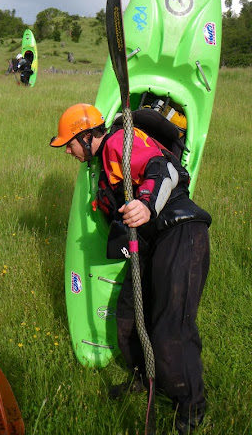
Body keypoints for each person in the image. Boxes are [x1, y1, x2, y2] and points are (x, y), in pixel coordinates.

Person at [50, 103, 211, 435]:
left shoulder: (118, 141)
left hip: (181, 233)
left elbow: (163, 169)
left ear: (85, 136)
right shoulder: (102, 164)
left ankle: (191, 407)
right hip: (153, 244)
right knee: (128, 318)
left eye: (69, 142)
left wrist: (146, 203)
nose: (67, 149)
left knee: (171, 329)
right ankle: (145, 378)